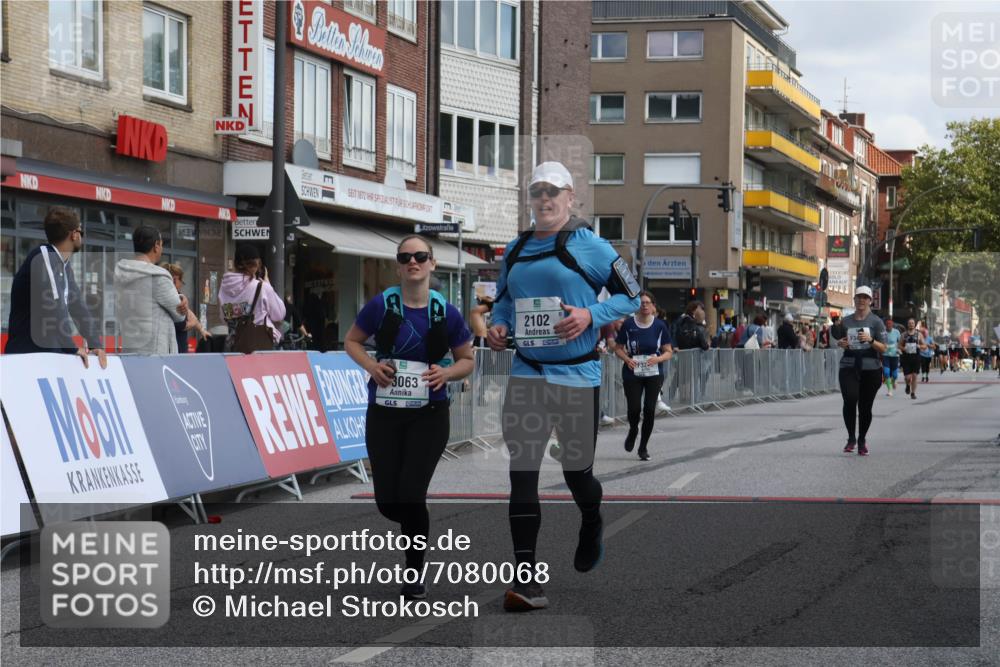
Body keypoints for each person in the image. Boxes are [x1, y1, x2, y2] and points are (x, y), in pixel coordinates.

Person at [487, 161, 640, 612]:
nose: (545, 199)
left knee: (577, 475)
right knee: (522, 472)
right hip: (527, 372)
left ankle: (591, 517)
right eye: (537, 191)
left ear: (571, 197)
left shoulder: (589, 245)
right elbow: (503, 302)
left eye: (553, 191)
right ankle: (525, 578)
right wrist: (497, 329)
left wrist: (592, 315)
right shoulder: (515, 249)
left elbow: (631, 294)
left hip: (577, 375)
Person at [344, 235, 474, 601]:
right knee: (388, 501)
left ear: (432, 263)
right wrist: (372, 365)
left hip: (429, 415)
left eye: (420, 256)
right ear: (398, 265)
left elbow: (467, 359)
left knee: (412, 494)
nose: (412, 262)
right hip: (384, 413)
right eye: (405, 257)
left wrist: (446, 374)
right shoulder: (381, 306)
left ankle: (414, 575)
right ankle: (417, 521)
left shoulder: (445, 312)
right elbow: (351, 341)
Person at [4, 207, 107, 368]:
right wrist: (71, 348)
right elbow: (54, 306)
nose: (82, 237)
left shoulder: (63, 265)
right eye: (82, 232)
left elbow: (78, 306)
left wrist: (95, 344)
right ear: (74, 234)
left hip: (48, 356)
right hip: (27, 357)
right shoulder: (43, 256)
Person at [613, 291, 673, 460]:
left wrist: (658, 359)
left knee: (649, 409)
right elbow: (618, 348)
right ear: (636, 306)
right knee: (634, 409)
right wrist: (626, 359)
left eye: (647, 302)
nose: (644, 305)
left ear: (653, 306)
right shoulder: (629, 324)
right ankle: (633, 429)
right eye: (641, 303)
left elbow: (668, 351)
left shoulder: (660, 326)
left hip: (653, 372)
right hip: (633, 372)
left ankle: (643, 447)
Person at [115, 226, 189, 355]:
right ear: (156, 246)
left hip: (130, 350)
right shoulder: (159, 277)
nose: (162, 248)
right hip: (156, 354)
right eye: (161, 244)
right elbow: (180, 315)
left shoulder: (122, 273)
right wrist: (182, 299)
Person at [834, 286, 887, 456]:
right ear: (854, 300)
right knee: (850, 399)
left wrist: (870, 340)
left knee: (865, 406)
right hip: (849, 365)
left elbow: (884, 348)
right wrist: (840, 343)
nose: (861, 301)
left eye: (865, 298)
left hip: (870, 367)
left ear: (870, 301)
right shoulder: (846, 321)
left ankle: (862, 439)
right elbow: (839, 340)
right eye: (858, 297)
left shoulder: (876, 322)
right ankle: (851, 438)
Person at [218, 244, 285, 352]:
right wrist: (268, 285)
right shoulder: (262, 287)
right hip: (258, 347)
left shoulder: (225, 286)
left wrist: (240, 310)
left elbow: (224, 317)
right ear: (256, 265)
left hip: (235, 345)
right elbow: (279, 314)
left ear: (235, 264)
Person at [162, 263, 209, 353]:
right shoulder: (171, 298)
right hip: (173, 350)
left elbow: (188, 312)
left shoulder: (177, 296)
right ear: (174, 280)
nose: (181, 285)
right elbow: (179, 325)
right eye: (181, 281)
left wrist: (201, 329)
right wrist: (192, 324)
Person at [899, 318, 924, 400]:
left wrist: (919, 346)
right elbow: (899, 346)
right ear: (907, 324)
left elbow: (925, 346)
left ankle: (913, 393)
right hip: (906, 358)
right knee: (907, 377)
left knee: (914, 376)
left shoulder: (919, 334)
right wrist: (904, 348)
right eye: (909, 323)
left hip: (916, 357)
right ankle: (907, 385)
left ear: (914, 324)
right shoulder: (904, 335)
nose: (911, 325)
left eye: (912, 323)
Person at [882, 318, 901, 397]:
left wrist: (899, 349)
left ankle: (893, 381)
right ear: (885, 325)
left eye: (890, 324)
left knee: (895, 375)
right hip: (885, 355)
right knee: (886, 372)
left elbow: (900, 342)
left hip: (894, 355)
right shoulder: (883, 333)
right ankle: (889, 390)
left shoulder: (896, 332)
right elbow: (881, 342)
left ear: (892, 324)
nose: (888, 325)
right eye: (887, 324)